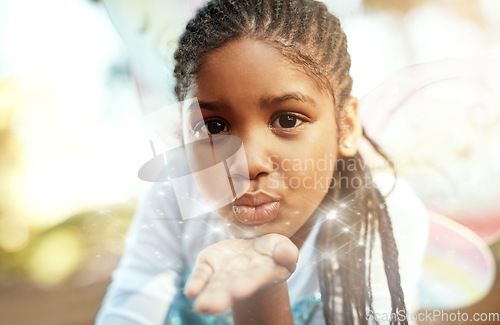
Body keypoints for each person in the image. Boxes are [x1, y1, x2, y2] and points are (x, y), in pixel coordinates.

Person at [96, 0, 428, 324]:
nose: (248, 164)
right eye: (213, 127)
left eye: (287, 120)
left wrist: (260, 295)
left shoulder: (381, 214)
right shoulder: (175, 198)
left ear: (347, 126)